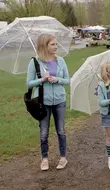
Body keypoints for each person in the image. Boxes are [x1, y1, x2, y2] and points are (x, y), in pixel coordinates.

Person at [26, 34, 70, 171]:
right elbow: (29, 83)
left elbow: (68, 80)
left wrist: (57, 79)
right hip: (42, 102)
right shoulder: (34, 62)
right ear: (44, 46)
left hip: (59, 100)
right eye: (53, 44)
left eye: (56, 44)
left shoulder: (61, 61)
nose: (56, 47)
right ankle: (44, 159)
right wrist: (41, 80)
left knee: (61, 131)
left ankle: (63, 158)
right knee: (44, 132)